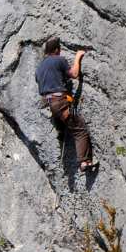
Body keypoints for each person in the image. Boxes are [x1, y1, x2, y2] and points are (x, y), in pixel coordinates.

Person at [35, 36, 94, 171]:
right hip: (60, 102)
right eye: (59, 49)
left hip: (51, 104)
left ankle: (61, 132)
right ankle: (85, 162)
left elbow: (41, 84)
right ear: (56, 50)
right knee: (80, 130)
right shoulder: (58, 60)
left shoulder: (39, 68)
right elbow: (74, 74)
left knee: (67, 124)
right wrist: (78, 56)